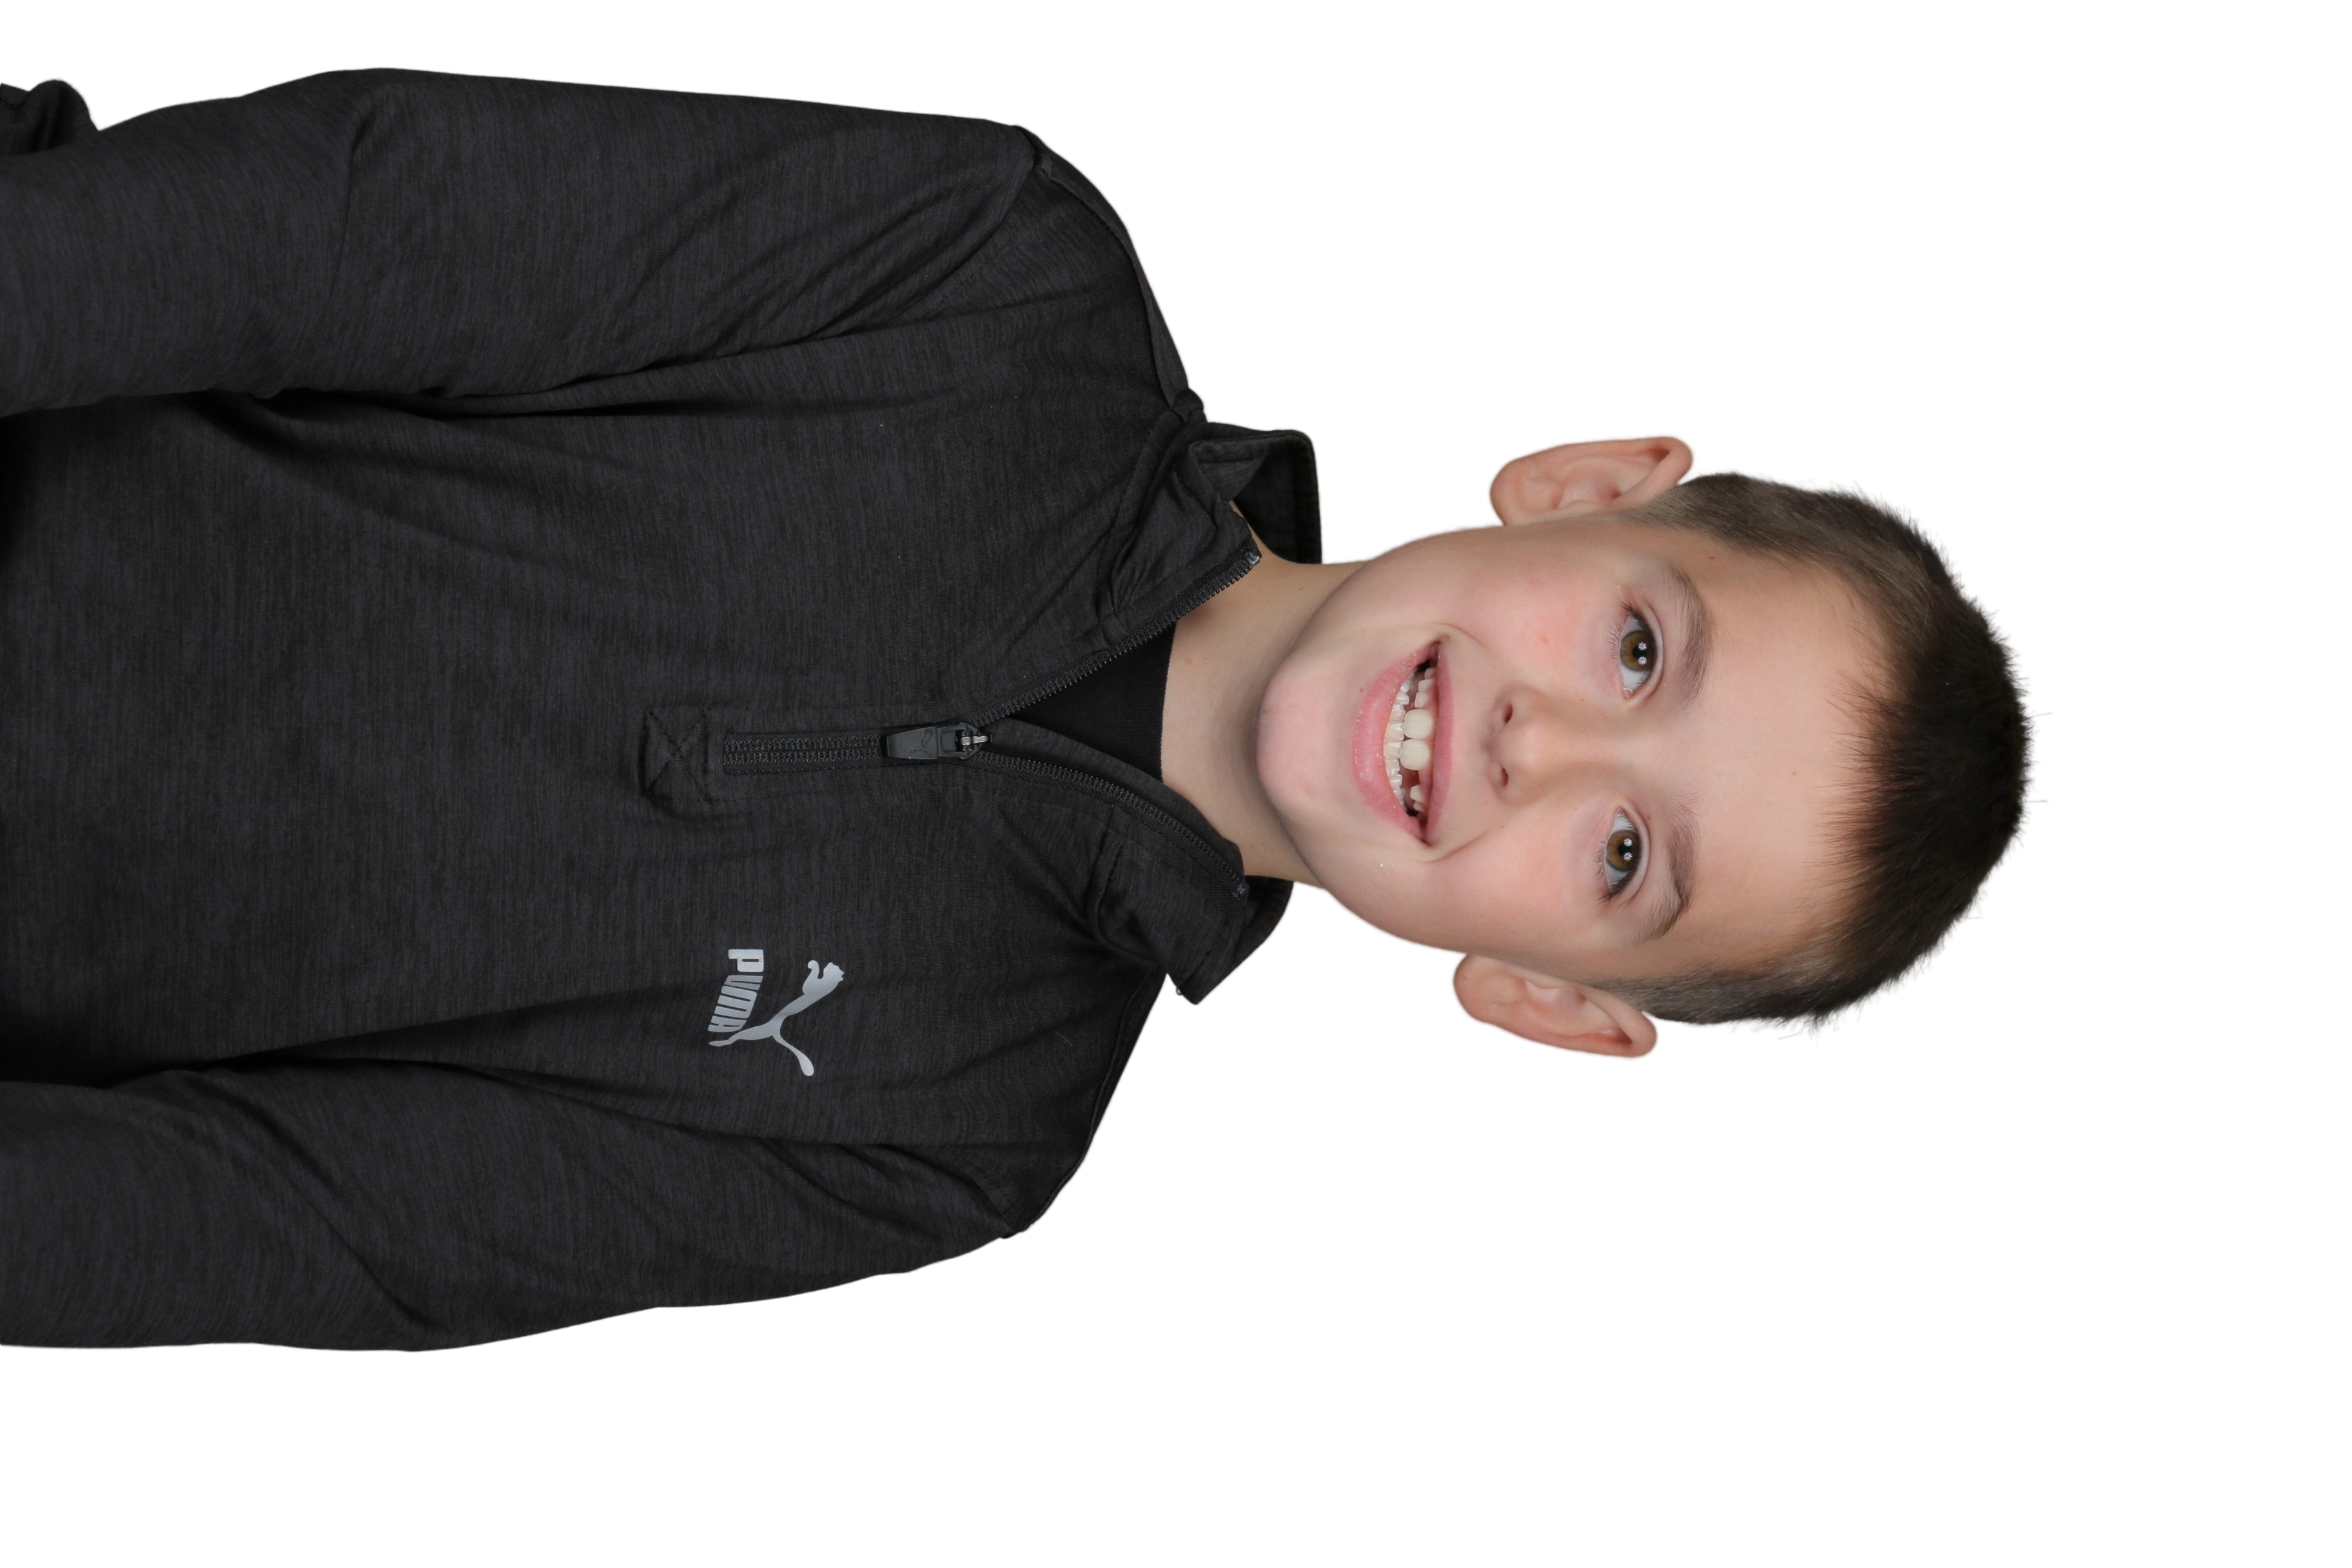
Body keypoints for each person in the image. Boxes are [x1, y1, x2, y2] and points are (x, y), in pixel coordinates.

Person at [0, 68, 2041, 1351]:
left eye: (1625, 854)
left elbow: (287, 1226)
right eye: (1640, 654)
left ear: (1551, 1001)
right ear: (1591, 488)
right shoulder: (993, 280)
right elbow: (344, 218)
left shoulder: (949, 1135)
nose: (1541, 748)